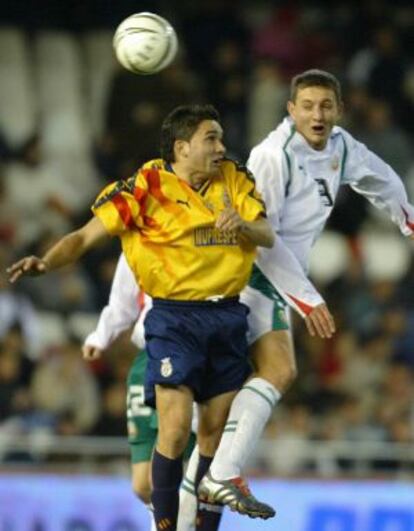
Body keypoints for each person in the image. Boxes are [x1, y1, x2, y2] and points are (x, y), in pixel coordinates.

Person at [7, 104, 275, 531]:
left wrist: (243, 224)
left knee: (211, 438)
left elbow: (267, 233)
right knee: (171, 429)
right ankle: (167, 526)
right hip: (173, 318)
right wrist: (46, 261)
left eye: (221, 138)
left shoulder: (234, 177)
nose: (221, 147)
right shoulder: (145, 186)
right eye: (212, 139)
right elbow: (82, 236)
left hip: (227, 315)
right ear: (182, 147)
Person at [197, 69, 414, 518]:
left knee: (222, 413)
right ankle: (219, 474)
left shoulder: (341, 147)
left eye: (326, 106)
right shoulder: (274, 156)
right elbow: (261, 238)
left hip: (276, 277)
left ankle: (212, 479)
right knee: (276, 370)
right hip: (247, 272)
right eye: (308, 106)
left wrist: (407, 220)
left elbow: (382, 178)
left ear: (338, 110)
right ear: (290, 109)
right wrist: (308, 298)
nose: (318, 115)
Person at [82, 253, 199, 531]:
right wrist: (102, 335)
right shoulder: (139, 238)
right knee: (142, 484)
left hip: (184, 351)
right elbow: (122, 299)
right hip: (146, 355)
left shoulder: (198, 228)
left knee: (174, 469)